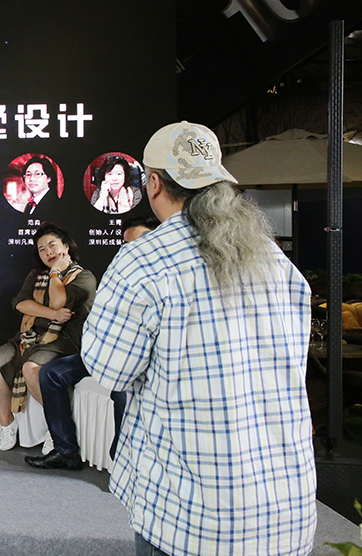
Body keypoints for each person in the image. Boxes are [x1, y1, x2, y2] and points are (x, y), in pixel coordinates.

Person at [82, 121, 316, 556]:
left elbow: (110, 369)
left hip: (190, 511)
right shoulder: (271, 255)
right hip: (284, 507)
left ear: (153, 183)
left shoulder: (143, 260)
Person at [25, 215, 158, 470]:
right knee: (50, 373)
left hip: (139, 358)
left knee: (123, 389)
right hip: (106, 351)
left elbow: (59, 303)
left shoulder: (164, 278)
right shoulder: (120, 275)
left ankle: (122, 462)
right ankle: (66, 451)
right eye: (126, 245)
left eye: (139, 243)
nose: (131, 251)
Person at [0, 223, 96, 451]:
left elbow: (59, 300)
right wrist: (53, 314)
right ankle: (7, 424)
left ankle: (55, 429)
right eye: (42, 249)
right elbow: (20, 304)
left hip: (63, 341)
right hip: (29, 336)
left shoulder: (84, 276)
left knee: (32, 368)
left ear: (66, 246)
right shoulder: (36, 275)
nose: (48, 252)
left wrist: (55, 273)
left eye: (52, 245)